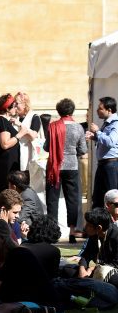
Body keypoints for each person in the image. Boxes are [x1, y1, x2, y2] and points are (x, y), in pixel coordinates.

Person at [45, 98, 88, 241]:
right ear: (72, 110)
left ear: (58, 111)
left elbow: (46, 147)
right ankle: (72, 231)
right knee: (73, 200)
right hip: (72, 166)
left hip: (54, 166)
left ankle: (52, 232)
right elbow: (82, 150)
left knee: (52, 200)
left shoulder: (52, 126)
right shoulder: (78, 127)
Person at [0, 94, 33, 193]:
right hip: (5, 167)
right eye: (14, 106)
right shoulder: (2, 121)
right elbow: (5, 144)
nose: (16, 108)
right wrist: (20, 134)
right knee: (6, 194)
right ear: (7, 109)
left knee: (1, 194)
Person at [86, 96, 118, 210]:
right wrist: (94, 137)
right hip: (103, 165)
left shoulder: (115, 123)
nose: (97, 111)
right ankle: (97, 224)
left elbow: (110, 142)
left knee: (112, 198)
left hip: (111, 165)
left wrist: (98, 132)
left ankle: (113, 225)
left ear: (109, 110)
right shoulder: (107, 123)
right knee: (98, 197)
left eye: (100, 108)